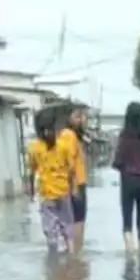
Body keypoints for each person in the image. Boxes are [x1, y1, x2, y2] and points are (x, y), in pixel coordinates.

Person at [27, 109, 75, 254]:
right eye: (48, 130)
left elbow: (32, 171)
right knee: (64, 231)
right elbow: (71, 170)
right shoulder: (60, 146)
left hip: (54, 195)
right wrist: (31, 191)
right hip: (55, 194)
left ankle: (55, 266)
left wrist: (31, 192)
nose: (50, 133)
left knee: (55, 233)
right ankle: (68, 262)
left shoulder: (36, 147)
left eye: (51, 129)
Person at [112, 101, 140, 257]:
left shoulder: (124, 136)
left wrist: (124, 166)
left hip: (128, 181)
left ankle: (130, 255)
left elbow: (117, 162)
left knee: (127, 222)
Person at [60, 107, 89, 252]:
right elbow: (69, 163)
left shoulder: (73, 136)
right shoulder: (69, 135)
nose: (82, 120)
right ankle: (76, 255)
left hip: (76, 183)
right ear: (69, 119)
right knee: (78, 221)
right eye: (77, 116)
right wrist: (74, 187)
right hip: (76, 184)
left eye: (83, 117)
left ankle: (74, 255)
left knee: (76, 221)